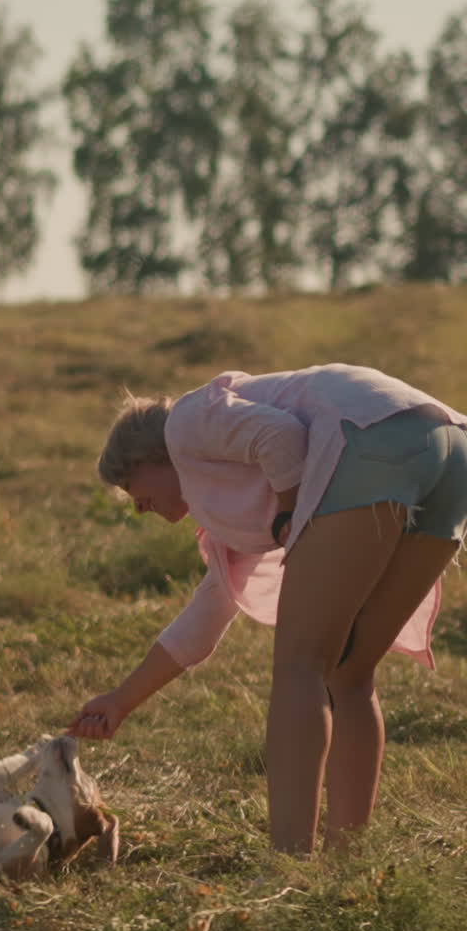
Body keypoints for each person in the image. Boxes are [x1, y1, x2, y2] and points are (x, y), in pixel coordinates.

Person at [67, 363, 467, 854]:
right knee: (349, 672)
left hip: (373, 438)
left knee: (300, 665)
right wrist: (120, 700)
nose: (138, 508)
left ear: (148, 456)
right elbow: (206, 616)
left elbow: (278, 435)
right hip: (450, 448)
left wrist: (289, 507)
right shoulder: (234, 506)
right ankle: (348, 860)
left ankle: (289, 859)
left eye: (133, 489)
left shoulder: (185, 423)